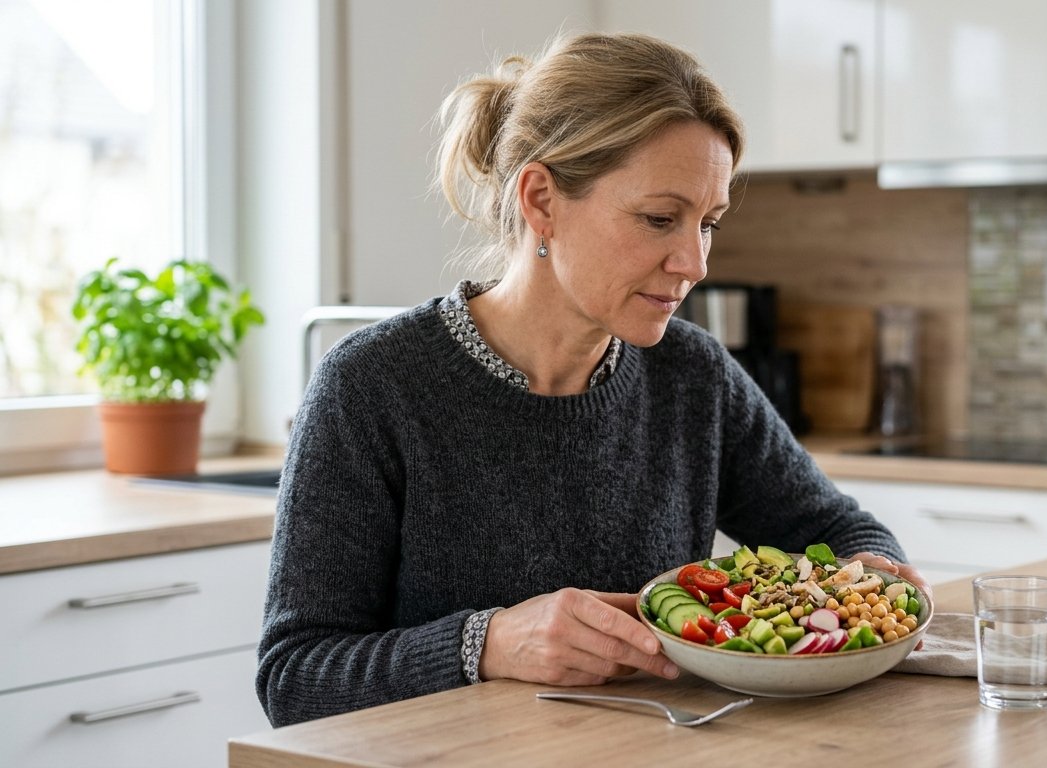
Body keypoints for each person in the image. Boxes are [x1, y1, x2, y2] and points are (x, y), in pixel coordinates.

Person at [256, 31, 929, 728]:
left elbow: (832, 527)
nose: (694, 262)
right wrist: (483, 644)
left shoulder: (691, 376)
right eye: (661, 219)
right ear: (542, 200)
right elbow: (294, 678)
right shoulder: (371, 386)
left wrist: (870, 578)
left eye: (709, 224)